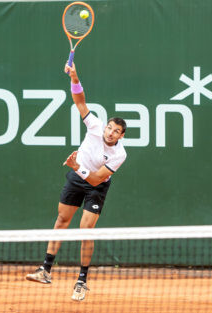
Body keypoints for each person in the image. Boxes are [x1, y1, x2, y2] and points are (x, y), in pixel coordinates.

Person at [26, 62, 127, 301]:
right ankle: (46, 270)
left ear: (121, 136)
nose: (110, 133)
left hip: (95, 186)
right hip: (75, 178)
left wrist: (76, 166)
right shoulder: (94, 127)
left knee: (85, 230)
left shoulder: (119, 155)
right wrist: (74, 76)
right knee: (62, 220)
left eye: (115, 132)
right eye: (109, 128)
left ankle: (81, 281)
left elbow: (94, 179)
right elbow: (80, 101)